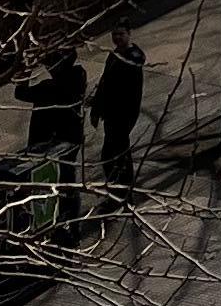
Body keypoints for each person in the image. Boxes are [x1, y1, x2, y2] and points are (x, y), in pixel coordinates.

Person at [13, 39, 88, 235]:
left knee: (55, 183)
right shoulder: (77, 76)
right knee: (67, 180)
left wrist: (26, 71)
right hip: (70, 138)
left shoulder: (50, 88)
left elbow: (20, 93)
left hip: (54, 142)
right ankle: (70, 223)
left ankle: (58, 223)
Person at [92, 22, 146, 202]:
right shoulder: (116, 55)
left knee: (116, 152)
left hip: (122, 114)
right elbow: (105, 81)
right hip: (112, 113)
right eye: (114, 34)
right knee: (112, 153)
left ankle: (123, 190)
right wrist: (96, 105)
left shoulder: (132, 57)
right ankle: (119, 188)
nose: (116, 38)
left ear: (129, 33)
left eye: (120, 34)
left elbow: (118, 83)